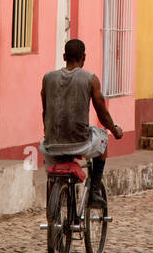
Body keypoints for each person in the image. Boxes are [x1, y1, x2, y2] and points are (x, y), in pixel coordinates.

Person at [40, 38, 124, 205]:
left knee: (52, 173)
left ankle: (52, 209)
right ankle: (94, 190)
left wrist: (47, 132)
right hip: (80, 143)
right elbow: (102, 113)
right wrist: (114, 130)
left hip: (51, 143)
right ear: (83, 58)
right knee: (103, 142)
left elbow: (46, 110)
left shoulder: (47, 78)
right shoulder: (91, 79)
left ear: (64, 56)